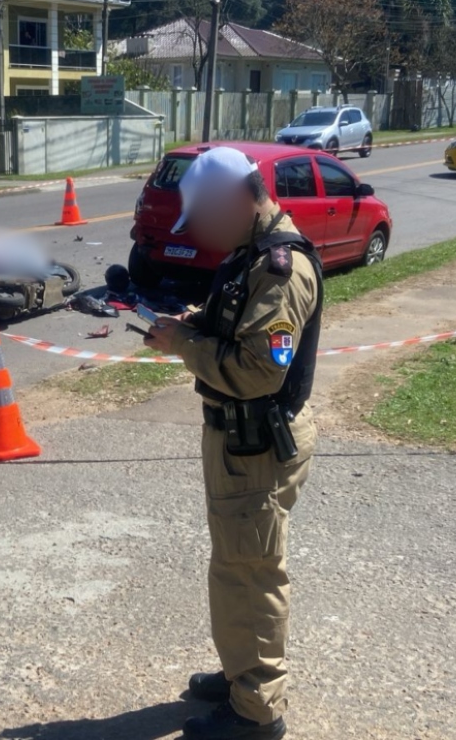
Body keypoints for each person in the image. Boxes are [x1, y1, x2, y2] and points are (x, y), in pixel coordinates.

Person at [142, 146, 322, 740]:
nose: (203, 232)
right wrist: (190, 322)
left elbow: (258, 370)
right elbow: (236, 321)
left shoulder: (279, 268)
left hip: (257, 445)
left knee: (253, 574)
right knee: (234, 567)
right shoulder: (250, 255)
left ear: (240, 200)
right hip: (236, 441)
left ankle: (257, 712)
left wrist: (181, 347)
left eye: (207, 216)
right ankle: (241, 672)